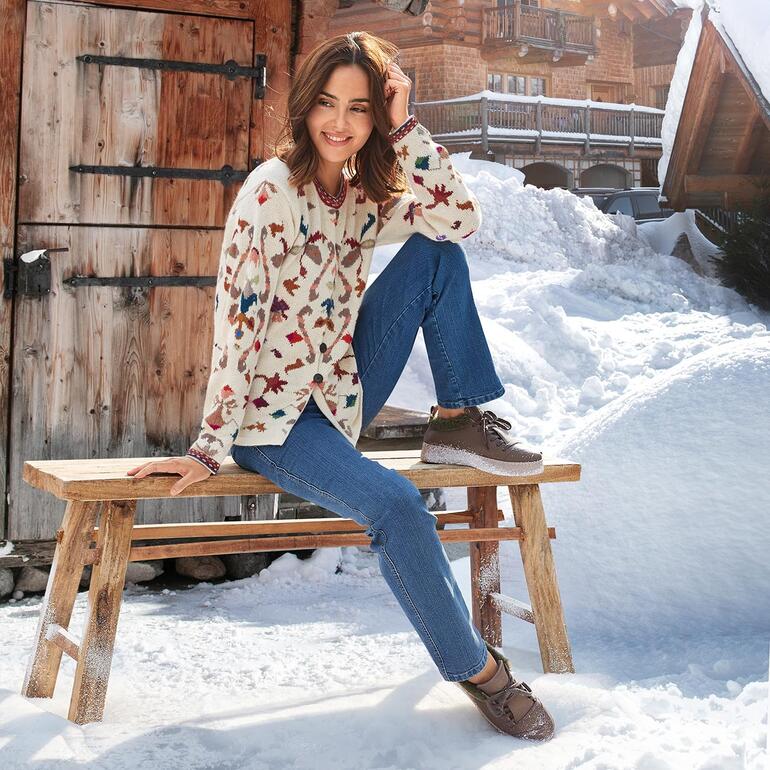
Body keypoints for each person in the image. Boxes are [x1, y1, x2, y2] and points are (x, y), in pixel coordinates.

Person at [128, 31, 554, 741]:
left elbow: (461, 220)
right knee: (398, 505)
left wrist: (406, 125)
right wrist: (208, 447)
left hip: (341, 392)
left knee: (436, 255)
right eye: (327, 103)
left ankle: (456, 418)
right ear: (303, 107)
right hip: (276, 424)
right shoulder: (269, 192)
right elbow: (237, 325)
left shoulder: (363, 197)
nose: (339, 121)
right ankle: (482, 673)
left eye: (359, 108)